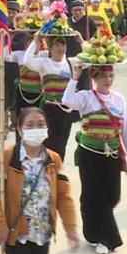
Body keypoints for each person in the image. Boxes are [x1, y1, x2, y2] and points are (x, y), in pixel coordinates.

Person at [0, 107, 80, 254]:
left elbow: (64, 197)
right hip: (15, 232)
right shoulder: (7, 158)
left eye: (41, 124)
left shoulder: (54, 160)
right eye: (30, 125)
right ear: (19, 129)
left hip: (42, 232)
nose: (36, 128)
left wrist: (71, 229)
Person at [62, 63, 127, 254]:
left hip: (111, 155)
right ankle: (106, 239)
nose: (108, 80)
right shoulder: (86, 97)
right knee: (97, 196)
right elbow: (67, 100)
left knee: (112, 196)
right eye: (104, 76)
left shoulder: (119, 99)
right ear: (95, 78)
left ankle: (95, 231)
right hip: (90, 154)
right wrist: (76, 76)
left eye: (111, 75)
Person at [23, 31, 83, 161]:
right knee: (50, 144)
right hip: (50, 110)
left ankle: (58, 172)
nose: (60, 48)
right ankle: (48, 169)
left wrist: (81, 41)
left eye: (63, 45)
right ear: (50, 48)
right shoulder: (44, 63)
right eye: (57, 45)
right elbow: (27, 61)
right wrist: (36, 41)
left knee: (62, 145)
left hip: (66, 111)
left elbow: (90, 60)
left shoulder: (71, 63)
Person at [67, 1, 97, 91]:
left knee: (84, 78)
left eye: (80, 10)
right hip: (70, 52)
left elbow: (94, 37)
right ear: (71, 11)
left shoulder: (89, 21)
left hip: (84, 53)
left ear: (83, 10)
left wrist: (86, 43)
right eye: (75, 10)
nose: (78, 13)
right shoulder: (67, 22)